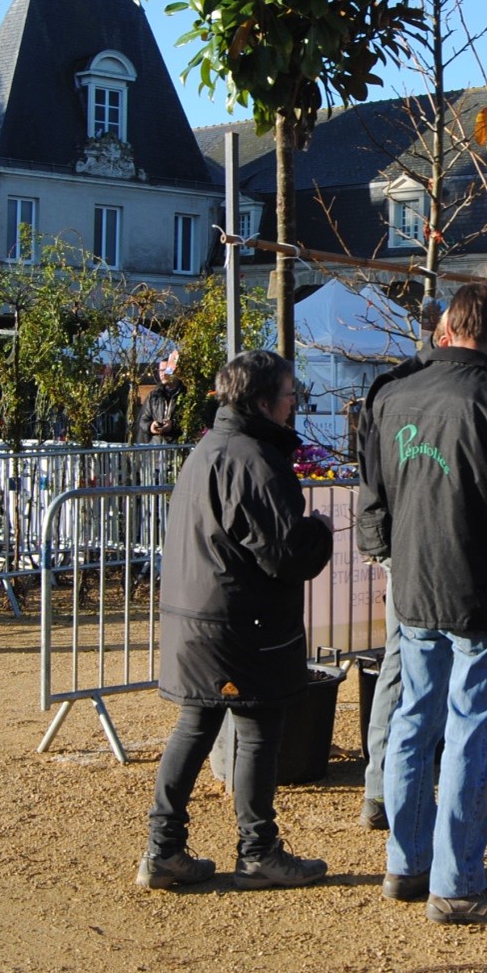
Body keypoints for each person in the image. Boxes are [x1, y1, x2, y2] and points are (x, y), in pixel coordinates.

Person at [358, 282, 487, 924]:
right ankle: (458, 881)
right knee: (469, 729)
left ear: (447, 328)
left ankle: (407, 861)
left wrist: (388, 553)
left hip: (414, 586)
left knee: (415, 720)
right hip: (480, 590)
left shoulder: (392, 395)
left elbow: (375, 496)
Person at [138, 349, 333, 891]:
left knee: (197, 724)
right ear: (265, 400)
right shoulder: (251, 458)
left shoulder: (210, 448)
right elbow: (284, 552)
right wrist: (319, 530)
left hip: (201, 616)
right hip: (240, 622)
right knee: (257, 728)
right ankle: (257, 851)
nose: (296, 405)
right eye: (292, 396)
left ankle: (164, 850)